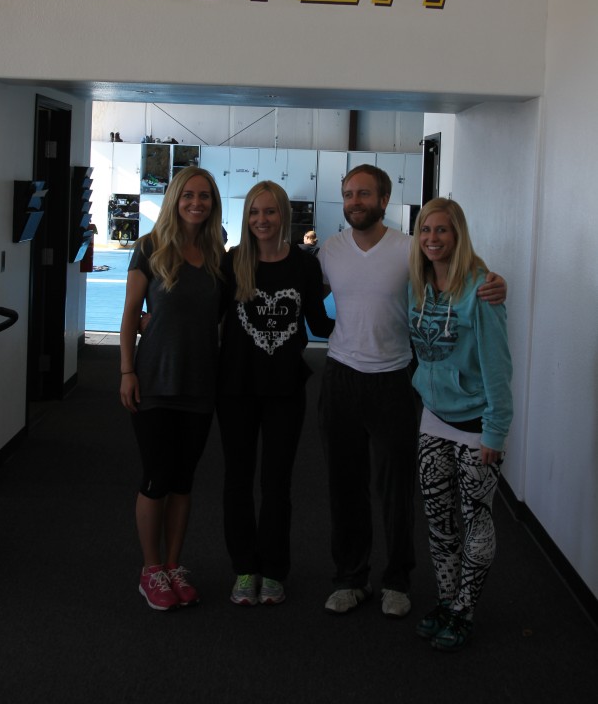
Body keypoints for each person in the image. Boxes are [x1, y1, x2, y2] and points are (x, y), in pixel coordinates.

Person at [317, 164, 506, 619]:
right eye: (348, 194)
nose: (354, 201)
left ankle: (397, 580)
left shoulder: (409, 250)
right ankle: (350, 578)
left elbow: (453, 274)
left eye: (364, 194)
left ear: (384, 200)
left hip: (394, 380)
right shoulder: (329, 250)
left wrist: (493, 282)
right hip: (340, 377)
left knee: (396, 489)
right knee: (345, 487)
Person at [216, 181, 334, 606]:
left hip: (285, 390)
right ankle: (245, 567)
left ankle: (274, 569)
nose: (261, 220)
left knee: (277, 483)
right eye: (254, 213)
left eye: (269, 212)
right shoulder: (233, 263)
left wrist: (385, 320)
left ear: (283, 215)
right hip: (236, 390)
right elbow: (205, 316)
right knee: (238, 480)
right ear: (246, 218)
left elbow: (321, 325)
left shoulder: (303, 266)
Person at [408, 198, 513, 652]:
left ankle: (466, 609)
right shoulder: (416, 284)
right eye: (425, 230)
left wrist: (496, 430)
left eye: (442, 230)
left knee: (476, 519)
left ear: (458, 235)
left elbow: (497, 366)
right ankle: (447, 600)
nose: (432, 238)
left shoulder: (480, 289)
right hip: (433, 418)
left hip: (475, 425)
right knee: (438, 520)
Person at [119, 165, 226, 611]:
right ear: (175, 200)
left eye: (204, 197)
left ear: (213, 203)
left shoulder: (218, 253)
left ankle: (174, 565)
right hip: (156, 381)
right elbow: (129, 316)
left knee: (184, 480)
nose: (196, 203)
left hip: (200, 384)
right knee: (156, 477)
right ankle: (150, 569)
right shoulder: (149, 248)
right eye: (188, 196)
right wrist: (127, 371)